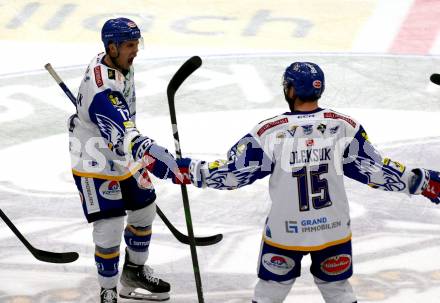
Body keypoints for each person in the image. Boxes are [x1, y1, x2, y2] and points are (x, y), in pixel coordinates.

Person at [173, 62, 440, 303]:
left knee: (269, 292)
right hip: (333, 230)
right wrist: (421, 182)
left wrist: (192, 171)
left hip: (286, 232)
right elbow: (376, 170)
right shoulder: (344, 126)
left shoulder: (270, 131)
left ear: (290, 90)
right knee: (338, 291)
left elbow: (233, 174)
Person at [68, 17, 180, 303]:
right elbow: (124, 131)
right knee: (111, 222)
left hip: (121, 152)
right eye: (130, 45)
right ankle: (108, 289)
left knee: (144, 209)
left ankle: (133, 273)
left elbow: (119, 125)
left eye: (136, 44)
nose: (136, 50)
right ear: (112, 46)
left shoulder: (115, 61)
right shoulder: (103, 89)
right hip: (94, 158)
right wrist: (152, 152)